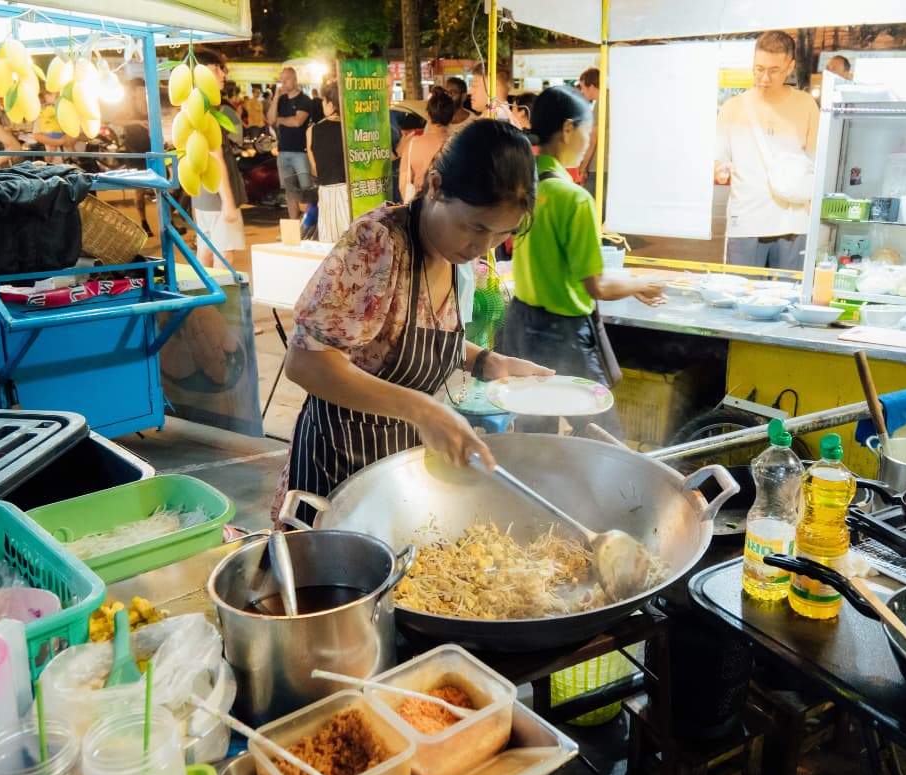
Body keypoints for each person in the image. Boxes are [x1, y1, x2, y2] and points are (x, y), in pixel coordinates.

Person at [272, 120, 552, 525]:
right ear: (435, 186)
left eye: (500, 235)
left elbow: (412, 332)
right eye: (476, 227)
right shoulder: (378, 245)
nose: (483, 246)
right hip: (336, 466)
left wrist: (487, 362)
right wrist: (423, 410)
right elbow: (305, 362)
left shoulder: (457, 257)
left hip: (397, 466)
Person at [498, 86, 666, 437]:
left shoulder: (526, 185)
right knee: (601, 435)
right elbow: (597, 285)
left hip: (521, 327)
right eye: (588, 133)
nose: (589, 143)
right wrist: (639, 283)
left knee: (535, 434)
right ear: (568, 129)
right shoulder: (573, 199)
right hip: (564, 337)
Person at [714, 30, 819, 269]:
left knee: (791, 290)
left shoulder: (805, 104)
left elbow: (816, 162)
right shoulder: (732, 107)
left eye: (774, 70)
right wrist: (720, 169)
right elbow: (718, 158)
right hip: (746, 223)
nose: (764, 78)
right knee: (741, 290)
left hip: (794, 222)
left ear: (790, 67)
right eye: (758, 69)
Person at [192, 54, 247, 272]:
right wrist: (228, 201)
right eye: (216, 69)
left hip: (202, 196)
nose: (223, 74)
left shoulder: (193, 107)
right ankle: (218, 294)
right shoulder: (209, 114)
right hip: (217, 196)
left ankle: (201, 293)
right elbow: (216, 157)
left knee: (205, 252)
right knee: (224, 257)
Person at [307, 81, 349, 243]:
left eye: (324, 101)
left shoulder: (312, 131)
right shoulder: (352, 129)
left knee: (328, 243)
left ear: (330, 105)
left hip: (326, 191)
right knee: (351, 242)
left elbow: (315, 169)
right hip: (349, 191)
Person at [270, 67, 314, 219]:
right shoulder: (281, 100)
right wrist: (275, 97)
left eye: (286, 79)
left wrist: (280, 120)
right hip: (283, 151)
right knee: (290, 192)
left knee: (306, 190)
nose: (283, 83)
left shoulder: (305, 100)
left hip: (300, 152)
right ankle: (294, 224)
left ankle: (309, 224)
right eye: (281, 80)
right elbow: (270, 120)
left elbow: (297, 121)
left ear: (295, 79)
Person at [400, 86, 456, 202]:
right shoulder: (458, 144)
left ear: (428, 115)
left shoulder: (413, 144)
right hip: (450, 206)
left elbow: (403, 185)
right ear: (452, 117)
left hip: (421, 206)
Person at [575, 67, 601, 195]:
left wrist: (582, 167)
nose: (582, 91)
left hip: (599, 167)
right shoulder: (610, 99)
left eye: (582, 87)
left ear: (591, 87)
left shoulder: (601, 104)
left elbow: (593, 140)